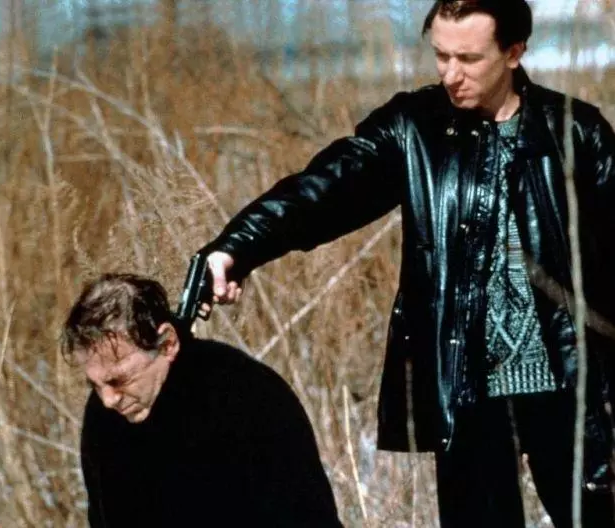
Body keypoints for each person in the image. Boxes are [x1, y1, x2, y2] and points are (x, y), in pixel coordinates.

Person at [197, 1, 615, 526]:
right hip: (468, 392)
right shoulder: (416, 128)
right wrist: (236, 247)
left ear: (514, 53)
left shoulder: (574, 132)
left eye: (469, 58)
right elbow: (323, 190)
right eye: (441, 55)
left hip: (571, 390)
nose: (451, 74)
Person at [62, 273, 343, 527]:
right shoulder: (104, 418)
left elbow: (307, 516)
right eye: (95, 385)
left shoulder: (247, 396)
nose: (108, 399)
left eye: (118, 380)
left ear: (167, 344)